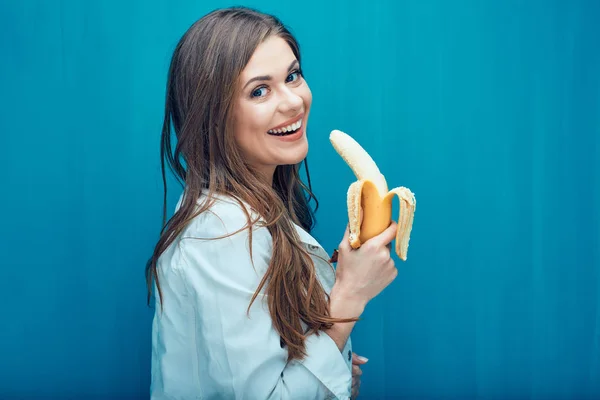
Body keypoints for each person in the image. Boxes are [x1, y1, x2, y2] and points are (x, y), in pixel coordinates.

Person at [145, 6, 398, 400]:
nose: (293, 102)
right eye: (259, 90)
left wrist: (331, 364)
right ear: (215, 115)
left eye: (292, 76)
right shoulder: (222, 234)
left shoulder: (255, 210)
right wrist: (350, 295)